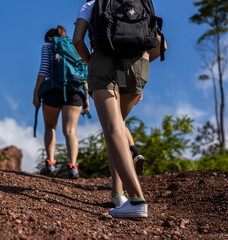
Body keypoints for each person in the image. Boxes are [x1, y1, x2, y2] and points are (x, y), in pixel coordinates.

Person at [73, 0, 167, 218]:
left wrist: (91, 62)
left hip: (103, 64)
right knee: (117, 129)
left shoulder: (93, 4)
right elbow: (161, 44)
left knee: (113, 130)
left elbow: (77, 40)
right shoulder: (140, 2)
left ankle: (136, 200)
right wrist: (141, 66)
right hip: (137, 67)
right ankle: (118, 193)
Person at [33, 25, 90, 179]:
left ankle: (50, 164)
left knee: (50, 126)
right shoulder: (75, 45)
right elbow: (83, 70)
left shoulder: (47, 46)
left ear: (48, 38)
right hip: (75, 91)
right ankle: (72, 167)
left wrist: (36, 92)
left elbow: (44, 69)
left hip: (53, 90)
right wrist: (86, 97)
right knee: (70, 131)